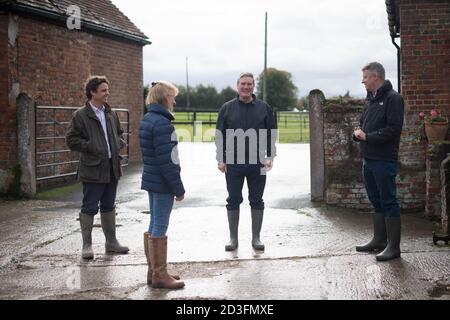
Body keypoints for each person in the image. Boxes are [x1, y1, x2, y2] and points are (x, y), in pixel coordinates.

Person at [66, 75, 129, 260]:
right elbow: (71, 140)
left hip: (112, 167)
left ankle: (111, 243)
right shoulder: (80, 115)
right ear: (92, 92)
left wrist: (119, 143)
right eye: (103, 90)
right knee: (89, 207)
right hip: (92, 169)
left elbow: (119, 133)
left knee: (109, 205)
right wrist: (92, 146)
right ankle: (87, 245)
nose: (107, 93)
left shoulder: (110, 113)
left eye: (107, 90)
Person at [215, 72, 277, 252]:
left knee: (257, 200)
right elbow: (220, 135)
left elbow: (271, 134)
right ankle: (233, 238)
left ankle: (256, 238)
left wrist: (270, 156)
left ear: (253, 86)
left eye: (249, 84)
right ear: (237, 86)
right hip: (233, 163)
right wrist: (221, 159)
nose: (246, 87)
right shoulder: (227, 108)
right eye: (243, 84)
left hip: (258, 163)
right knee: (233, 199)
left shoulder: (264, 108)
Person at [353, 62, 404, 261]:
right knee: (375, 200)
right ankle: (379, 240)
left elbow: (393, 129)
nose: (362, 81)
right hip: (368, 158)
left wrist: (367, 137)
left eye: (365, 77)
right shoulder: (371, 100)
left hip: (384, 159)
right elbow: (363, 125)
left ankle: (394, 247)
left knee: (388, 200)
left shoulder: (393, 99)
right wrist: (357, 134)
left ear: (376, 77)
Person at [139, 81, 185, 289]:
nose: (174, 100)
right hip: (162, 182)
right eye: (172, 96)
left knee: (154, 224)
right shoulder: (163, 124)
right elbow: (168, 161)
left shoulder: (148, 119)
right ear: (165, 98)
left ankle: (154, 271)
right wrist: (178, 187)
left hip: (152, 179)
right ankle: (159, 275)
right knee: (159, 226)